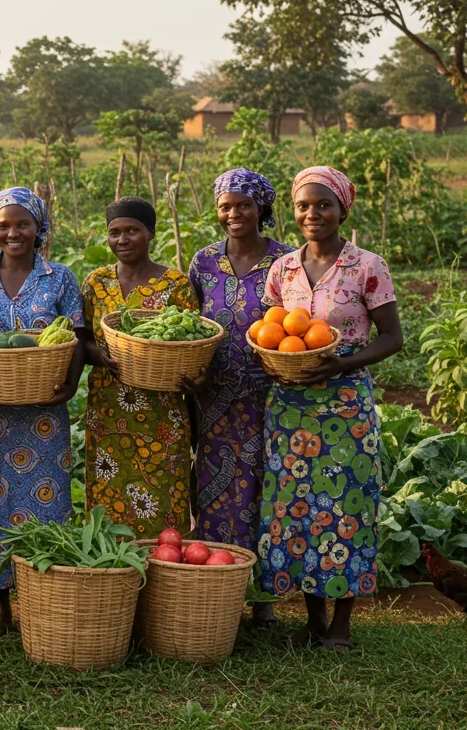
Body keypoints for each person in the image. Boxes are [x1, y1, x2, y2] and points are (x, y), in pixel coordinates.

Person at [256, 166, 402, 653]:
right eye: (303, 205)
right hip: (290, 404)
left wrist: (339, 365)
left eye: (323, 204)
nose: (312, 213)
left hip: (344, 404)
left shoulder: (367, 265)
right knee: (295, 507)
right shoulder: (283, 269)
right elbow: (271, 331)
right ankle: (313, 619)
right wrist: (280, 367)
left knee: (345, 506)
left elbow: (392, 338)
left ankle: (341, 623)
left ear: (343, 208)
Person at [0, 187, 84, 637]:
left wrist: (68, 386)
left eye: (22, 223)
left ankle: (43, 600)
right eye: (4, 224)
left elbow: (77, 338)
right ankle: (1, 605)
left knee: (46, 505)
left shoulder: (60, 276)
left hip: (44, 412)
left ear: (38, 228)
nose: (13, 232)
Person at [187, 170, 294, 627]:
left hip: (270, 394)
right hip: (212, 398)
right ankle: (216, 590)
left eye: (244, 205)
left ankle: (265, 600)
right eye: (226, 206)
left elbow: (298, 322)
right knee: (212, 494)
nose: (234, 214)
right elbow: (192, 323)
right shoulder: (204, 261)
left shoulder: (287, 261)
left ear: (262, 209)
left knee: (266, 492)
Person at [78, 197, 195, 538]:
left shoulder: (175, 284)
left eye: (133, 231)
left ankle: (163, 580)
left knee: (163, 497)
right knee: (109, 499)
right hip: (109, 412)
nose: (122, 239)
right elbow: (82, 339)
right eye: (115, 232)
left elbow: (191, 343)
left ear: (151, 233)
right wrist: (100, 357)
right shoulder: (96, 283)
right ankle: (116, 580)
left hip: (162, 413)